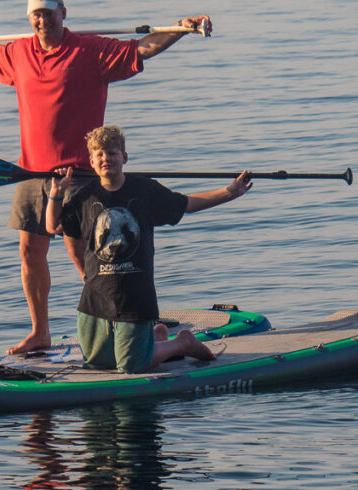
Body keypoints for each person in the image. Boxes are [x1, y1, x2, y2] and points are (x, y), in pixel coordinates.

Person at [0, 0, 214, 355]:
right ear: (30, 19)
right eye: (35, 15)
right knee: (30, 251)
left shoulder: (91, 50)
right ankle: (40, 332)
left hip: (80, 176)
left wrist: (179, 29)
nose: (42, 20)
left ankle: (127, 323)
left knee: (86, 255)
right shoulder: (19, 52)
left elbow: (143, 49)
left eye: (48, 13)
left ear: (63, 13)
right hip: (29, 173)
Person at [45, 126, 252, 373]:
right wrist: (56, 195)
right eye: (99, 155)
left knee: (131, 366)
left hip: (135, 297)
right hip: (95, 297)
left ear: (124, 157)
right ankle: (157, 338)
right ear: (91, 162)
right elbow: (53, 226)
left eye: (111, 153)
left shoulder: (144, 190)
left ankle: (181, 344)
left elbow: (186, 204)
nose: (105, 159)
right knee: (98, 365)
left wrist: (229, 192)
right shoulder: (82, 195)